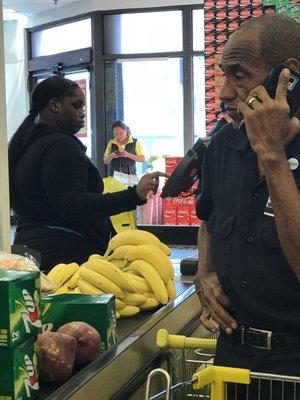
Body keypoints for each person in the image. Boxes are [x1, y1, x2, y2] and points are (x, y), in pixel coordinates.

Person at [194, 14, 300, 398]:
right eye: (224, 74)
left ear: (289, 76)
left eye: (238, 75)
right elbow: (208, 218)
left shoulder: (269, 150)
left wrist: (272, 156)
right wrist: (204, 272)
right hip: (232, 356)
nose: (224, 92)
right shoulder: (223, 146)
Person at [8, 76, 165, 272]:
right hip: (63, 257)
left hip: (29, 249)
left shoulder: (24, 144)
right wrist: (134, 195)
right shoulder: (59, 145)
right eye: (76, 105)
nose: (83, 113)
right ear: (54, 105)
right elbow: (74, 205)